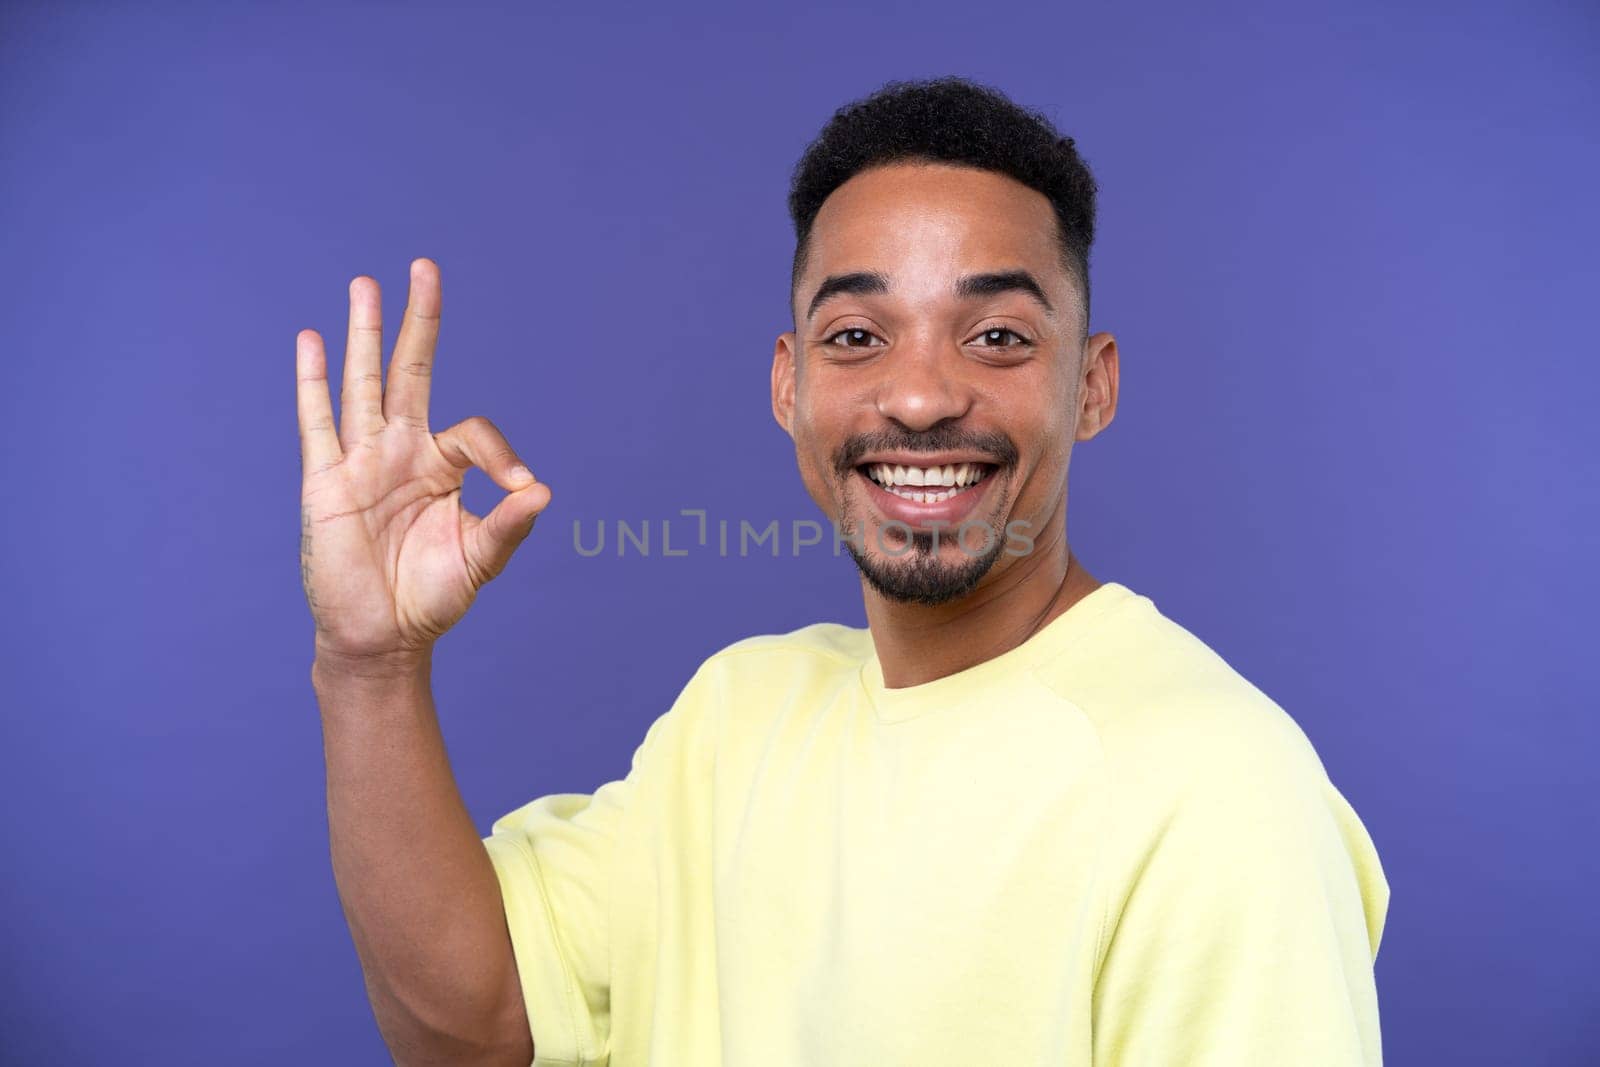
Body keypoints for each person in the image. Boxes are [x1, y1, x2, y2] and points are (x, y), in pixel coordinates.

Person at [296, 76, 1389, 1067]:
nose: (918, 397)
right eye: (858, 334)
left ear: (1091, 386)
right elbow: (475, 1026)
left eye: (998, 335)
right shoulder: (737, 718)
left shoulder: (1216, 789)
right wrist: (370, 663)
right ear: (787, 384)